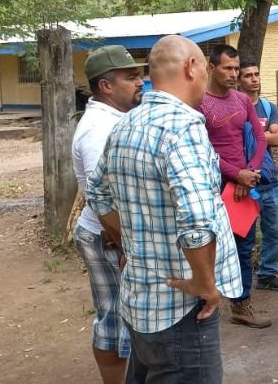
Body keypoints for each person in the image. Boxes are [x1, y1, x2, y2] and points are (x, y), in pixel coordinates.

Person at [85, 35, 242, 383]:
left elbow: (97, 194)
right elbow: (198, 221)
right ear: (191, 67)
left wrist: (130, 242)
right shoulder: (183, 128)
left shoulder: (126, 123)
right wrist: (205, 283)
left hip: (141, 300)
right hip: (182, 310)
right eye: (205, 67)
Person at [72, 45, 144, 384]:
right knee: (114, 318)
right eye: (130, 77)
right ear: (106, 86)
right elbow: (101, 198)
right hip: (107, 235)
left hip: (116, 233)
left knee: (123, 315)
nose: (140, 81)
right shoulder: (99, 129)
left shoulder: (116, 118)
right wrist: (124, 244)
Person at [197, 45, 272, 329]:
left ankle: (241, 304)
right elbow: (201, 150)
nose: (234, 74)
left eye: (236, 68)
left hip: (243, 188)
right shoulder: (199, 102)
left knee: (244, 247)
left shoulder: (242, 100)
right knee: (206, 246)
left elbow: (261, 140)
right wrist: (234, 175)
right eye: (227, 68)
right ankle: (204, 301)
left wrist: (250, 173)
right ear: (211, 68)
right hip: (212, 187)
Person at [238, 61, 278, 291]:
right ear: (239, 80)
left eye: (256, 74)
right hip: (241, 182)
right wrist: (264, 133)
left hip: (268, 180)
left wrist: (251, 133)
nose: (254, 79)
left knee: (274, 232)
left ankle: (267, 274)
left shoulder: (268, 107)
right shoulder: (234, 106)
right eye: (248, 75)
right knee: (243, 236)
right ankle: (241, 282)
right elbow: (231, 140)